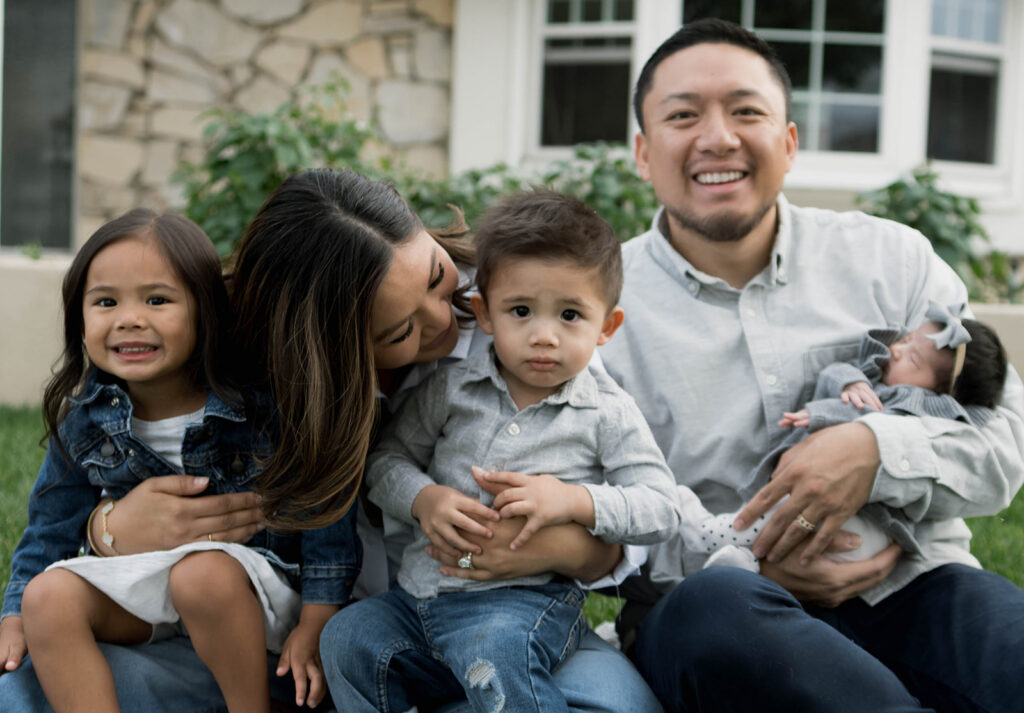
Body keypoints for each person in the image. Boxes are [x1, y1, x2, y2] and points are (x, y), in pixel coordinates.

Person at [0, 171, 663, 713]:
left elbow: (627, 518)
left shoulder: (519, 319)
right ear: (328, 354)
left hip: (501, 620)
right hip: (309, 646)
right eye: (398, 328)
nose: (445, 318)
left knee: (610, 704)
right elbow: (96, 467)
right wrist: (108, 525)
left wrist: (568, 542)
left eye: (434, 275)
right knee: (21, 692)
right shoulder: (248, 376)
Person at [598, 17, 1024, 713]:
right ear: (644, 153)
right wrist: (749, 551)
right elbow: (592, 522)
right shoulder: (596, 310)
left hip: (912, 583)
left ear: (788, 142)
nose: (718, 137)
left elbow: (1007, 445)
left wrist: (876, 449)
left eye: (746, 111)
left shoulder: (896, 260)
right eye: (683, 116)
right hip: (717, 607)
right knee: (717, 612)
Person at [327, 191, 690, 712]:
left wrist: (572, 501)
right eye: (521, 311)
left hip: (524, 603)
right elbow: (385, 462)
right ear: (487, 313)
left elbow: (662, 506)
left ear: (606, 328)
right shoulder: (452, 391)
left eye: (570, 315)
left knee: (495, 653)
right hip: (416, 599)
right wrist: (423, 498)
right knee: (347, 637)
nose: (544, 337)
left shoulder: (605, 412)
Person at [0, 209, 359, 713]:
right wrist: (14, 613)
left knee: (200, 575)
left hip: (251, 590)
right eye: (105, 301)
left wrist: (319, 616)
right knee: (47, 597)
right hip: (147, 582)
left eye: (157, 299)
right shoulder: (86, 419)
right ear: (78, 318)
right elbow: (49, 528)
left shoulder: (257, 407)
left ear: (204, 312)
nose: (129, 318)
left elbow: (321, 509)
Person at [665, 306, 1010, 574]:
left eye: (914, 358)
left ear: (937, 393)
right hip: (847, 523)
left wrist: (818, 415)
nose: (897, 350)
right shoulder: (880, 376)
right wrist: (850, 384)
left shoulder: (910, 407)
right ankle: (741, 564)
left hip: (866, 526)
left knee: (777, 518)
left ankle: (709, 534)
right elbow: (841, 375)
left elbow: (860, 421)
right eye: (906, 340)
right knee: (783, 521)